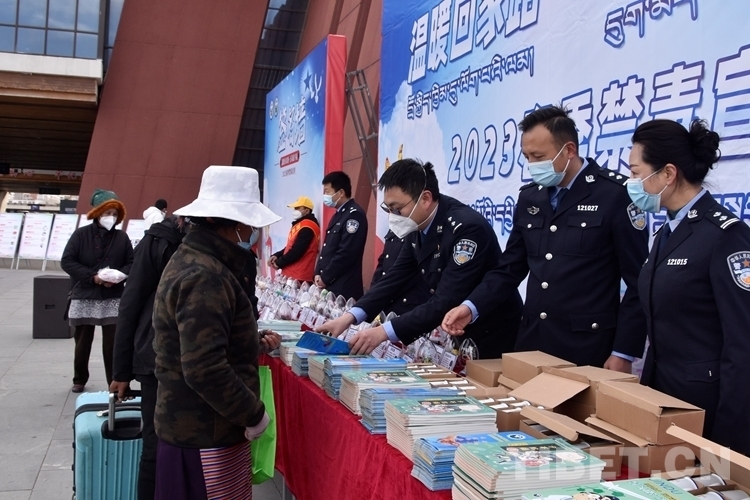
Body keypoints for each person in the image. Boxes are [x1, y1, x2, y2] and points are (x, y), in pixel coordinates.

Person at [442, 106, 649, 370]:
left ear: (569, 150)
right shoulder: (530, 197)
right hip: (532, 342)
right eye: (527, 157)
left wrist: (623, 352)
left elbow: (638, 282)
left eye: (539, 156)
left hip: (587, 348)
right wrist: (471, 307)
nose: (532, 164)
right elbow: (509, 268)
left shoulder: (615, 194)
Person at [151, 166, 281, 499]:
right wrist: (254, 414)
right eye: (247, 223)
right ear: (228, 222)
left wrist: (248, 340)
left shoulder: (200, 260)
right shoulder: (206, 275)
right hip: (203, 433)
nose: (252, 231)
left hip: (203, 427)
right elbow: (204, 367)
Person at [315, 159, 522, 359]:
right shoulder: (417, 223)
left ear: (425, 199)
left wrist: (383, 332)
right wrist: (349, 317)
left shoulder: (466, 228)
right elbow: (394, 277)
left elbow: (446, 299)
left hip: (489, 331)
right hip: (453, 330)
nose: (393, 216)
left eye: (397, 208)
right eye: (388, 209)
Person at [629, 118, 750, 455]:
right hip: (664, 401)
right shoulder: (667, 232)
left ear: (668, 173)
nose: (632, 183)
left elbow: (743, 344)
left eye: (637, 173)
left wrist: (728, 443)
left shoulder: (725, 235)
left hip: (706, 410)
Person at [110, 215, 185, 500]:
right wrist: (121, 371)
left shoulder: (224, 245)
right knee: (155, 445)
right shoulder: (158, 241)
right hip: (155, 359)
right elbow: (130, 302)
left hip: (200, 362)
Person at [61, 189, 134, 393]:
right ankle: (79, 378)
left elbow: (131, 262)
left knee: (113, 343)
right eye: (107, 212)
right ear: (97, 212)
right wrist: (93, 277)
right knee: (82, 342)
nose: (111, 217)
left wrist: (118, 276)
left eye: (114, 213)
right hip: (85, 294)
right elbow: (67, 261)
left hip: (112, 296)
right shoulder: (81, 235)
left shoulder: (122, 237)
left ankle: (115, 380)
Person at [314, 172, 368, 299]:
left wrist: (325, 277)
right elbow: (327, 248)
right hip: (329, 285)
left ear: (341, 193)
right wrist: (318, 272)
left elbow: (346, 253)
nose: (325, 195)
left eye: (327, 191)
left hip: (343, 289)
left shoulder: (354, 215)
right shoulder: (339, 214)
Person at [370, 229, 431, 315]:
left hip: (405, 304)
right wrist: (374, 291)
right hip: (385, 299)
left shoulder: (415, 232)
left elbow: (406, 270)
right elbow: (383, 262)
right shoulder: (395, 228)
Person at [268, 195, 320, 283]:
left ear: (307, 210)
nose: (295, 211)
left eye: (297, 208)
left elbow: (297, 251)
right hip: (292, 274)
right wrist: (277, 255)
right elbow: (291, 246)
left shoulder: (308, 226)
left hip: (299, 277)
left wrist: (279, 262)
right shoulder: (301, 224)